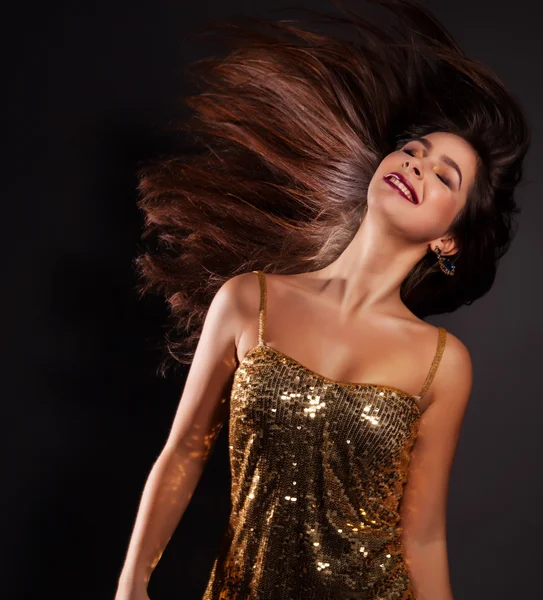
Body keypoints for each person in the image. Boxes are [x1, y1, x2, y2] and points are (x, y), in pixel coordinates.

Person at [114, 0, 530, 598]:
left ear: (449, 236)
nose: (415, 166)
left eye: (444, 176)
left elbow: (424, 536)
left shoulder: (442, 362)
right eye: (413, 150)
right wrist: (132, 584)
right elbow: (183, 452)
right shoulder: (248, 300)